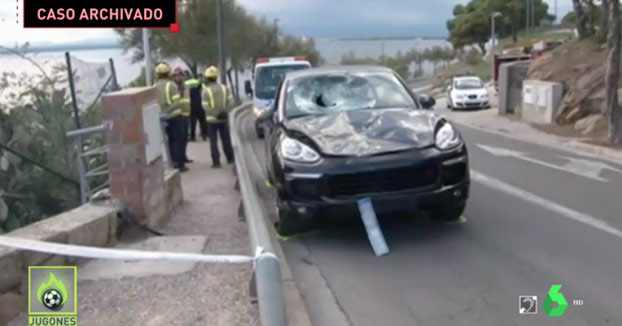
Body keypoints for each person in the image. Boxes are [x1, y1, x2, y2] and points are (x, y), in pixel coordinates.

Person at [155, 63, 188, 172]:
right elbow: (177, 101)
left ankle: (172, 161)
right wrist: (168, 111)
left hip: (163, 118)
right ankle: (180, 164)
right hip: (175, 116)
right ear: (168, 73)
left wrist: (162, 113)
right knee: (179, 140)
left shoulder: (154, 87)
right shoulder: (171, 85)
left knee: (170, 140)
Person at [202, 66, 234, 168]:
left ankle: (216, 162)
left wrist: (215, 114)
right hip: (223, 119)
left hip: (211, 120)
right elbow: (231, 102)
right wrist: (224, 112)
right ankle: (230, 159)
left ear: (207, 78)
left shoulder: (205, 91)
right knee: (226, 140)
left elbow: (205, 106)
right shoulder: (225, 88)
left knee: (213, 142)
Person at [172, 67, 193, 164]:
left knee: (185, 138)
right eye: (176, 75)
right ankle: (178, 159)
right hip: (178, 115)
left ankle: (183, 156)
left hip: (186, 114)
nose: (179, 77)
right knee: (178, 139)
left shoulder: (185, 86)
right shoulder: (173, 87)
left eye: (180, 75)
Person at [184, 71, 208, 142]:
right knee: (202, 120)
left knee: (192, 121)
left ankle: (192, 136)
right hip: (200, 103)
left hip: (191, 104)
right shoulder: (198, 82)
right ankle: (204, 135)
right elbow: (204, 90)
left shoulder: (185, 84)